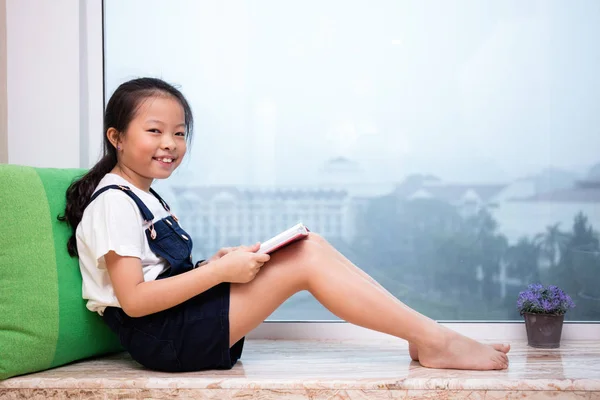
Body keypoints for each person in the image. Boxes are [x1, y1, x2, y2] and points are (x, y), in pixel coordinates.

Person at [60, 77, 510, 373]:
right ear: (115, 137)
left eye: (179, 133)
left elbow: (154, 271)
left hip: (174, 326)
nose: (171, 144)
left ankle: (426, 335)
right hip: (163, 338)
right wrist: (216, 274)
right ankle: (434, 339)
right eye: (154, 131)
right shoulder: (114, 202)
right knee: (306, 257)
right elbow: (135, 301)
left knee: (308, 244)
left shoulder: (143, 194)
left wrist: (210, 265)